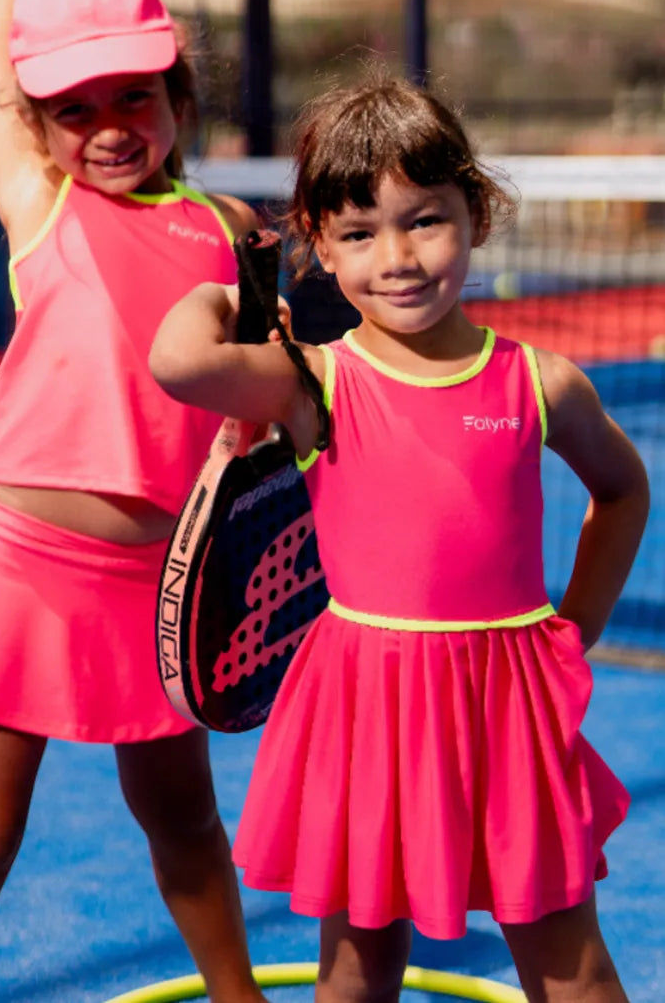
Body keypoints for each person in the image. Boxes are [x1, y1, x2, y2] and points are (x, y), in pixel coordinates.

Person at [147, 71, 650, 1003]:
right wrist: (231, 293)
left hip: (510, 710)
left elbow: (623, 491)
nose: (399, 257)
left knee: (569, 966)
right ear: (319, 246)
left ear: (477, 215)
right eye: (359, 233)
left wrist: (576, 627)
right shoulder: (311, 382)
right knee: (358, 966)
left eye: (425, 220)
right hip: (367, 708)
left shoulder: (542, 382)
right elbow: (177, 363)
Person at [0, 0, 266, 1003]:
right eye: (74, 109)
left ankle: (240, 996)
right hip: (20, 574)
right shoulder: (39, 202)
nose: (110, 127)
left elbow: (267, 393)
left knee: (187, 822)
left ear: (178, 97)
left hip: (164, 592)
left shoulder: (231, 230)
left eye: (135, 96)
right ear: (36, 124)